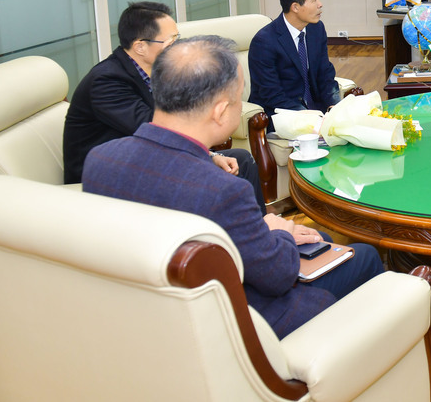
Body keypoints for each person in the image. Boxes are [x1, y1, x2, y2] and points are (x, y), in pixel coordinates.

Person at [82, 35, 384, 339]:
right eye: (239, 99)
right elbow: (277, 276)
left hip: (150, 314)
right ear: (220, 111)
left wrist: (265, 231)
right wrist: (279, 231)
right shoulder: (222, 190)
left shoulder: (100, 160)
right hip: (239, 323)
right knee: (366, 255)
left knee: (321, 241)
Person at [63, 2, 265, 213]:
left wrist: (211, 155)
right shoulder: (106, 81)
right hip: (113, 172)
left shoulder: (152, 70)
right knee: (224, 174)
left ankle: (257, 223)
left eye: (177, 38)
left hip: (147, 156)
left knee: (241, 160)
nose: (177, 47)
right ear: (140, 46)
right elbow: (156, 129)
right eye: (170, 41)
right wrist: (210, 156)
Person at [249, 0, 341, 123]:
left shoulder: (316, 29)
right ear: (295, 7)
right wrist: (309, 117)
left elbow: (325, 74)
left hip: (316, 111)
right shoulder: (264, 41)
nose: (320, 4)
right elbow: (271, 94)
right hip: (282, 115)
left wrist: (335, 106)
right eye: (314, 0)